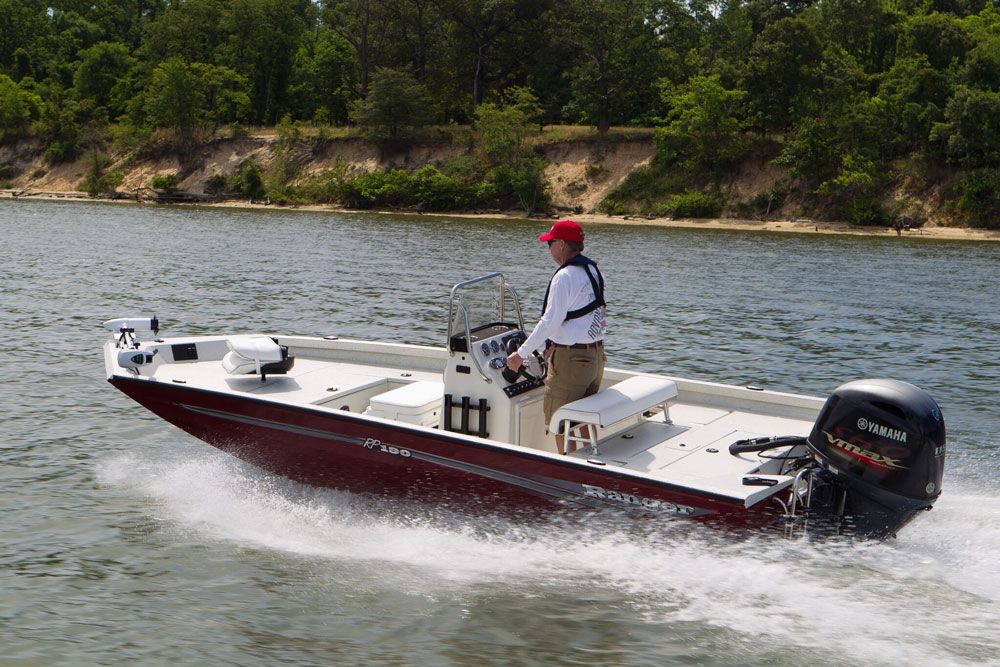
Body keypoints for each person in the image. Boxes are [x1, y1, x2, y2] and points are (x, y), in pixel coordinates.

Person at [506, 219, 607, 455]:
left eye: (550, 243)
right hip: (595, 357)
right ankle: (587, 464)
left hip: (571, 361)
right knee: (581, 420)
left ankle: (568, 469)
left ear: (561, 244)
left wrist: (520, 354)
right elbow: (587, 315)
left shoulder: (564, 277)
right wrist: (553, 343)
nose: (548, 248)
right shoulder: (594, 271)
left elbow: (550, 321)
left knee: (560, 422)